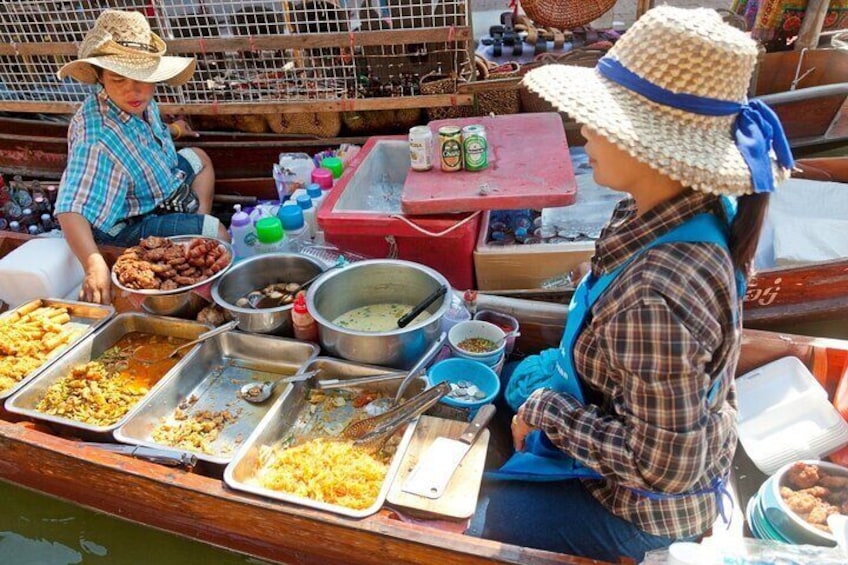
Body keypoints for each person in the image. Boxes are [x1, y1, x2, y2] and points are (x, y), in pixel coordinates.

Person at [470, 6, 793, 562]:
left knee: (463, 520)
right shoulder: (682, 208)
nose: (585, 129)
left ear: (652, 148)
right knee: (492, 394)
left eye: (602, 120)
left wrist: (546, 410)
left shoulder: (657, 293)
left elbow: (662, 468)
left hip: (639, 504)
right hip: (643, 435)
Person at [54, 9, 230, 305]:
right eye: (118, 79)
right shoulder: (96, 138)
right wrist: (93, 263)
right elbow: (70, 208)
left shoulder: (139, 101)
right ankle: (197, 244)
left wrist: (174, 130)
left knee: (199, 158)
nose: (133, 89)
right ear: (100, 78)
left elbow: (148, 135)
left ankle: (190, 236)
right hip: (129, 220)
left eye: (142, 78)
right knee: (218, 233)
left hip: (158, 183)